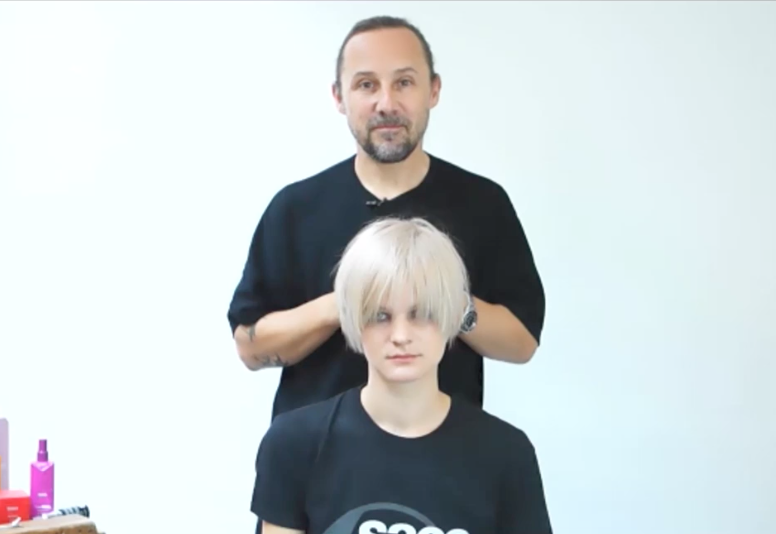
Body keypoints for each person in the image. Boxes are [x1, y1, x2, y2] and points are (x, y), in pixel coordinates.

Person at [227, 14, 545, 420]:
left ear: (433, 90)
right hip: (316, 453)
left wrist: (445, 300)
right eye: (366, 85)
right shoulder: (295, 209)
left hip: (441, 451)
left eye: (404, 82)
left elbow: (522, 343)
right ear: (339, 97)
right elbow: (250, 348)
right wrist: (347, 301)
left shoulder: (483, 203)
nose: (387, 103)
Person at [252, 217, 553, 534]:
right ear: (355, 319)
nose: (400, 336)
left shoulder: (506, 454)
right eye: (380, 315)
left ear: (451, 315)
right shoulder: (294, 443)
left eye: (421, 314)